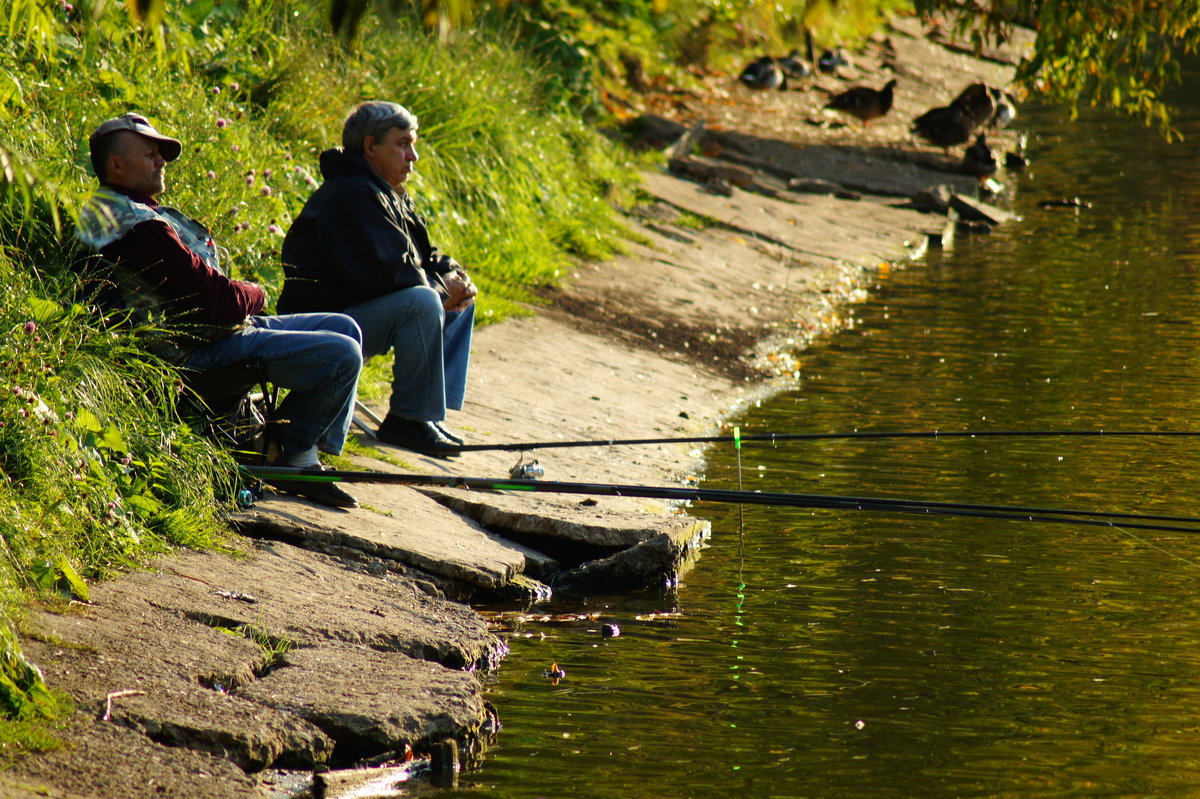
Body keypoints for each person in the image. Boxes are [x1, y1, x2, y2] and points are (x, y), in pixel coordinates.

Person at [76, 112, 363, 509]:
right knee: (342, 354)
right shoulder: (139, 229)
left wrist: (237, 297)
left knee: (344, 326)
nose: (161, 161)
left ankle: (298, 445)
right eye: (150, 153)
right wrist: (256, 293)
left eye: (161, 154)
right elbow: (220, 303)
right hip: (187, 355)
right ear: (116, 164)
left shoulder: (118, 211)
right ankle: (289, 454)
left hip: (205, 331)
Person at [277, 101, 476, 458]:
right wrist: (442, 289)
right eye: (402, 144)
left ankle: (428, 413)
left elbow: (424, 256)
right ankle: (409, 419)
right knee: (424, 301)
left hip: (357, 311)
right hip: (325, 323)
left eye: (412, 144)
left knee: (457, 297)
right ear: (370, 146)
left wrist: (452, 273)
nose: (412, 156)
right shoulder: (349, 194)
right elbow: (386, 275)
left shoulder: (387, 192)